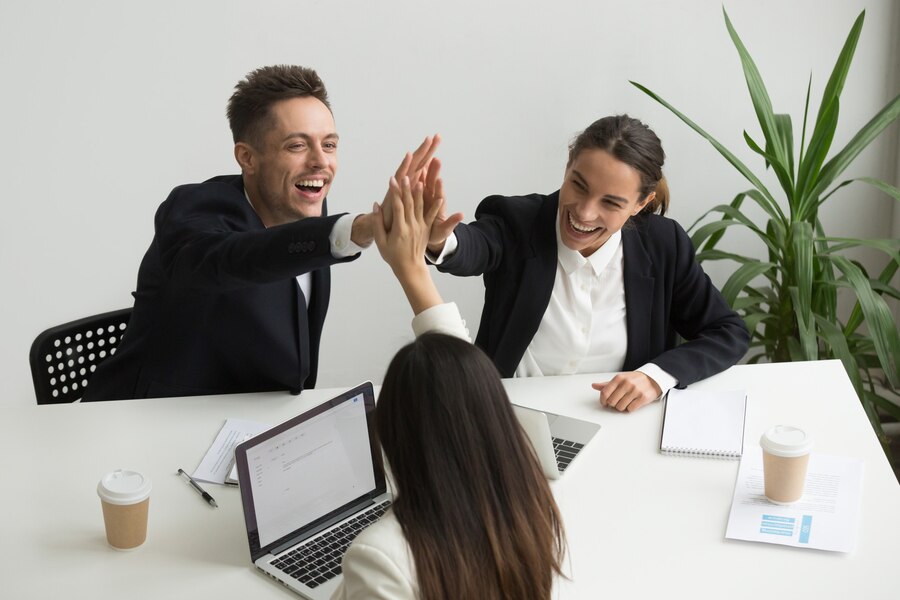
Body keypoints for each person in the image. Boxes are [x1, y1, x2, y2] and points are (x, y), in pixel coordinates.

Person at [84, 65, 438, 401]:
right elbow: (236, 257)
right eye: (297, 146)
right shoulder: (191, 210)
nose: (320, 161)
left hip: (257, 430)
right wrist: (359, 229)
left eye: (329, 144)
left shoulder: (310, 209)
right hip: (143, 425)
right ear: (247, 158)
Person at [332, 177, 566, 599]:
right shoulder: (528, 506)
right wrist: (410, 268)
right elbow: (463, 385)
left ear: (391, 436)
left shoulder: (381, 554)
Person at [423, 115, 750, 412]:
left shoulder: (664, 244)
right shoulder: (518, 221)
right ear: (568, 165)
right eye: (579, 185)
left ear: (641, 203)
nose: (584, 213)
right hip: (509, 418)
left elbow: (727, 332)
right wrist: (439, 239)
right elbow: (473, 246)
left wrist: (655, 377)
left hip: (617, 425)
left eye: (611, 202)